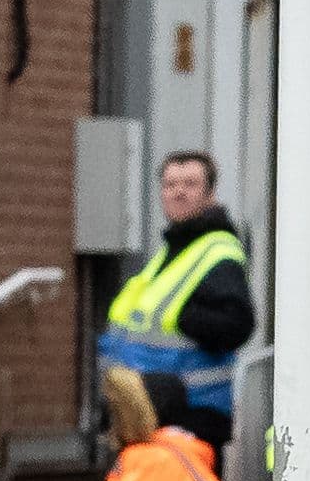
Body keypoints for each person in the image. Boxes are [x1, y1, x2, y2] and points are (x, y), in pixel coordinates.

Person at [97, 151, 256, 451]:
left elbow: (238, 325)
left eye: (190, 184)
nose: (178, 192)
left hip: (190, 419)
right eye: (170, 185)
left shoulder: (218, 251)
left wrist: (186, 317)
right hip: (147, 415)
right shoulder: (171, 250)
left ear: (210, 194)